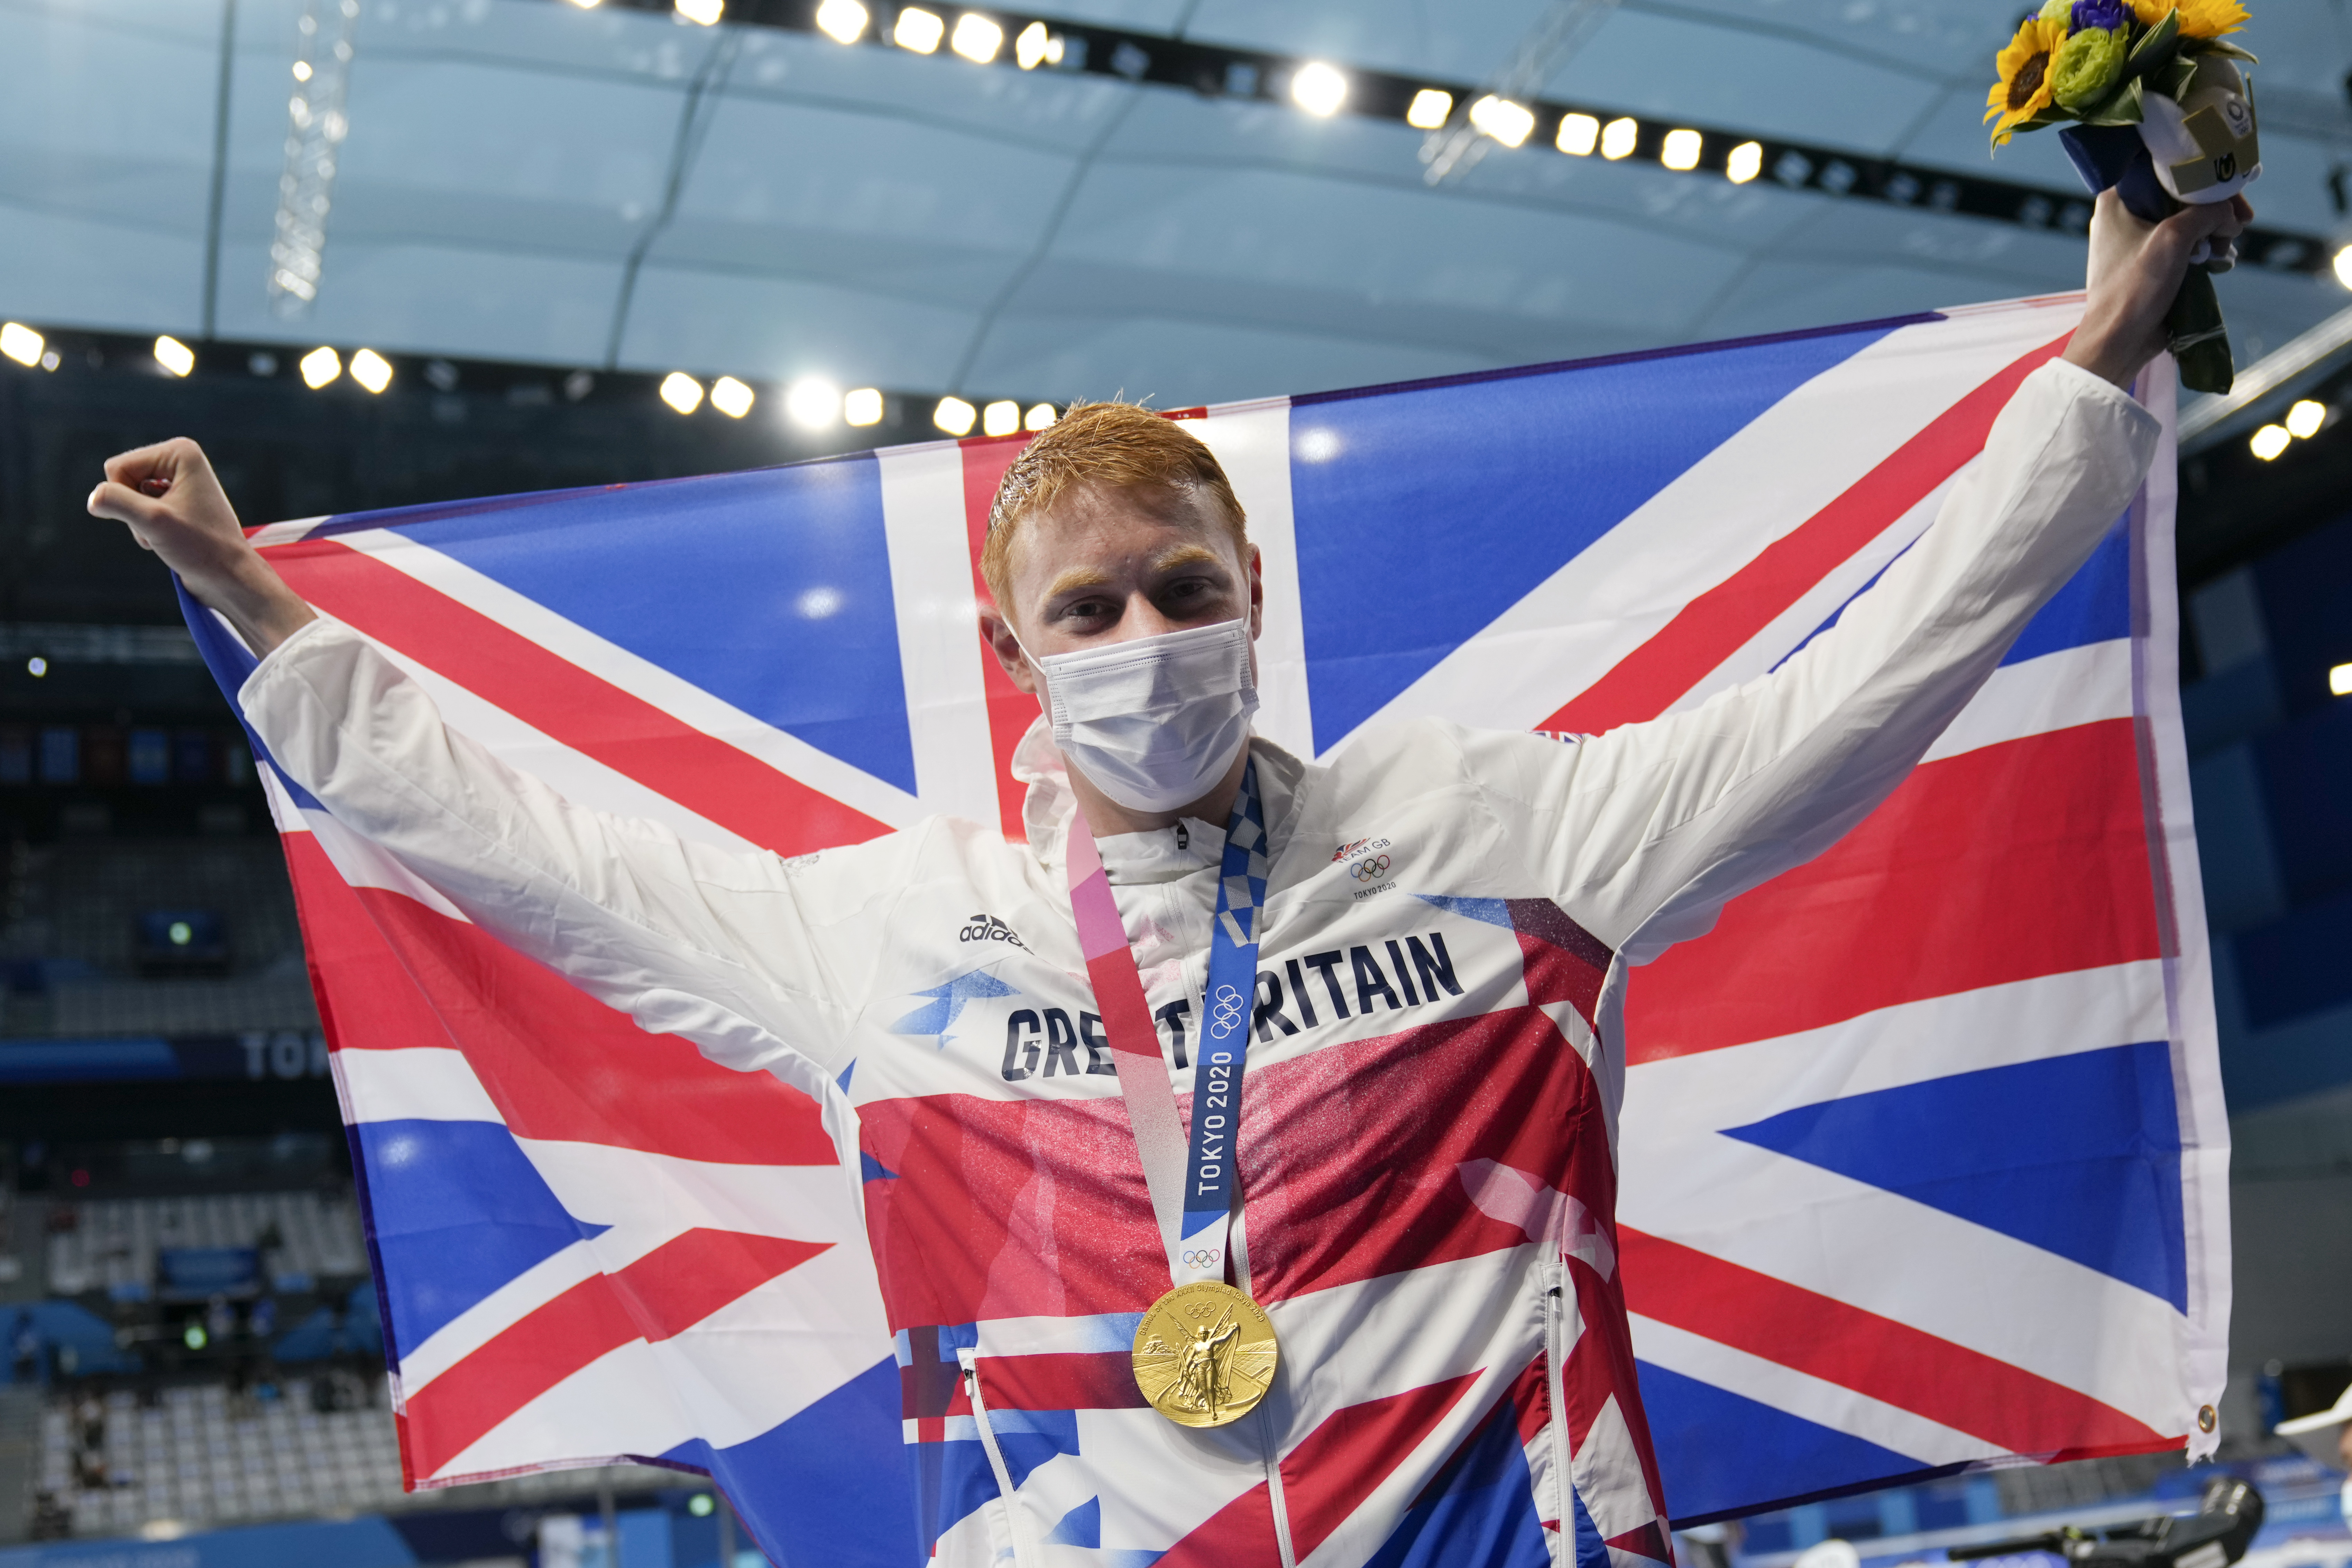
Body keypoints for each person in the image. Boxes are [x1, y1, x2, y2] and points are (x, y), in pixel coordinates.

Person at [85, 189, 2247, 1567]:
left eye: (1179, 589)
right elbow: (533, 849)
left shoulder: (1505, 842)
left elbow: (1863, 684)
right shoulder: (884, 933)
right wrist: (258, 602)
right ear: (1014, 659)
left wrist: (2092, 366)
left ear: (1255, 593)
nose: (1143, 643)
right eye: (1089, 612)